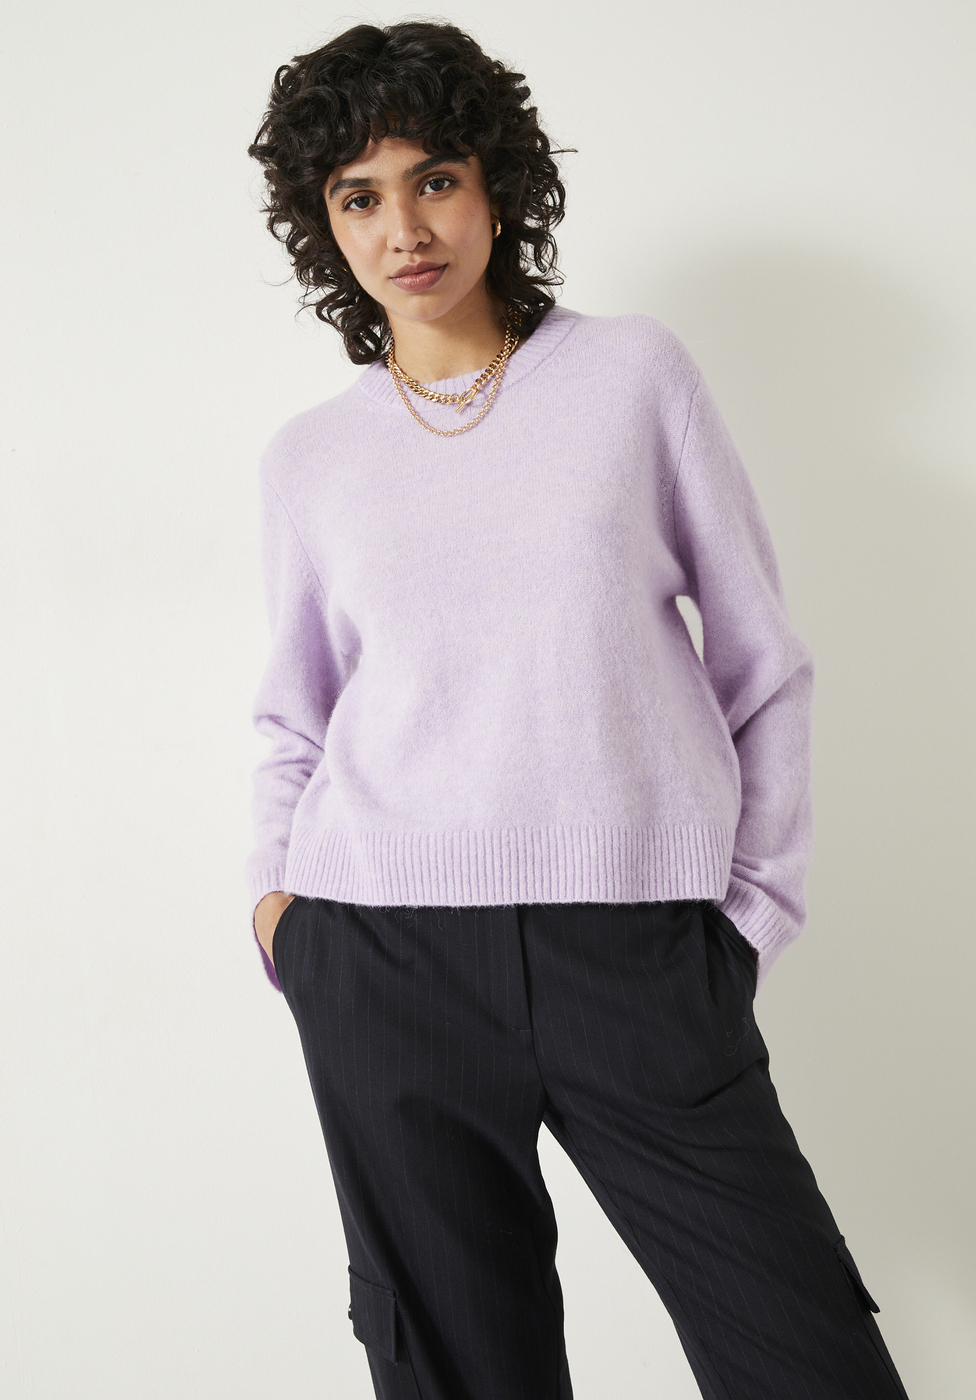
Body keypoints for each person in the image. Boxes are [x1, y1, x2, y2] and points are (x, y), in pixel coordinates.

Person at [244, 19, 910, 1400]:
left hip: (640, 955)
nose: (404, 229)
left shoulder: (633, 378)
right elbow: (293, 719)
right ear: (325, 225)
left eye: (435, 179)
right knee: (458, 1370)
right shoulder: (311, 460)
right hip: (382, 957)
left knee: (807, 1356)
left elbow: (764, 661)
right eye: (359, 197)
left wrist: (748, 916)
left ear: (497, 185)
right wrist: (281, 917)